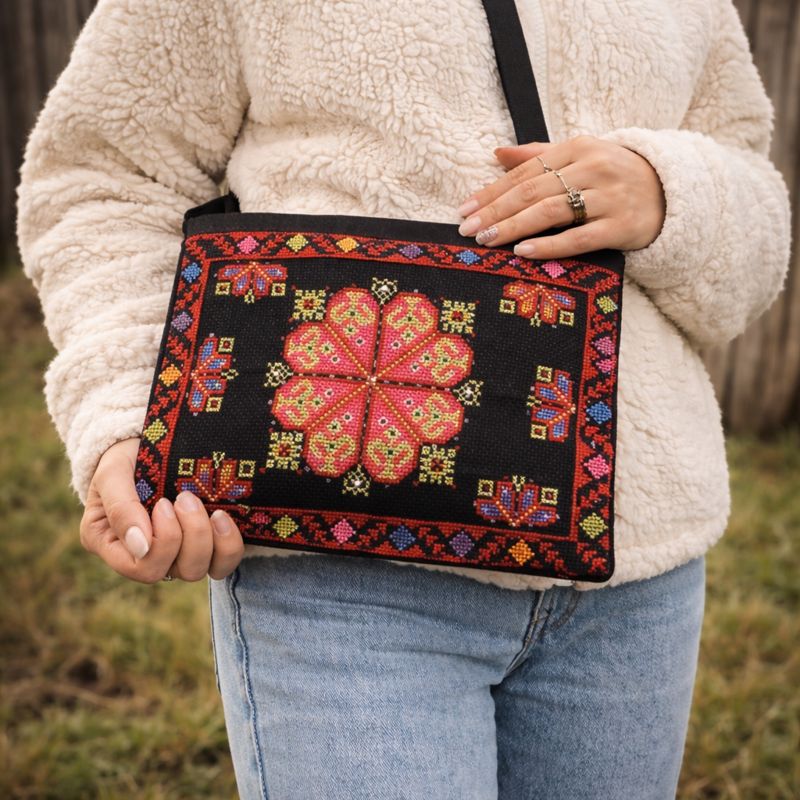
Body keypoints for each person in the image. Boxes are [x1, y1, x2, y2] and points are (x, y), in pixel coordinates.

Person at [15, 0, 791, 797]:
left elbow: (752, 210)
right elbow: (105, 178)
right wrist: (127, 420)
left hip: (635, 581)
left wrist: (670, 192)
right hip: (344, 573)